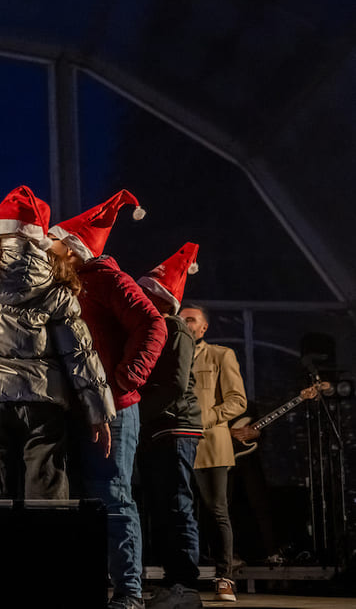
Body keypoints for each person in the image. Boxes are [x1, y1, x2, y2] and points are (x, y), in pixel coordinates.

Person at [0, 185, 113, 500]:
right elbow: (80, 354)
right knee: (47, 498)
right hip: (42, 405)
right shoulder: (56, 289)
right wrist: (99, 412)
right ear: (39, 237)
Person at [48, 189, 167, 609]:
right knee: (86, 495)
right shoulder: (68, 284)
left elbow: (154, 324)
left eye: (55, 242)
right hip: (78, 406)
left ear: (74, 248)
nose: (48, 247)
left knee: (113, 494)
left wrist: (125, 378)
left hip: (112, 407)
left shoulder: (108, 280)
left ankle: (128, 590)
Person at [135, 243, 205, 609]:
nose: (140, 297)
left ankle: (185, 585)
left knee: (177, 505)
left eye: (146, 293)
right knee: (163, 505)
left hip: (175, 426)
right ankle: (172, 581)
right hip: (160, 427)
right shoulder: (157, 328)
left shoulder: (175, 329)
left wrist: (137, 413)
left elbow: (176, 384)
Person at [178, 304, 247, 603]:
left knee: (217, 512)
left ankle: (225, 578)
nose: (185, 323)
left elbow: (238, 401)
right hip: (177, 445)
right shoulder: (169, 356)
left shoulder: (220, 355)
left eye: (191, 320)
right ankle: (182, 579)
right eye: (181, 319)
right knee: (180, 514)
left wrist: (203, 419)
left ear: (204, 327)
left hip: (210, 447)